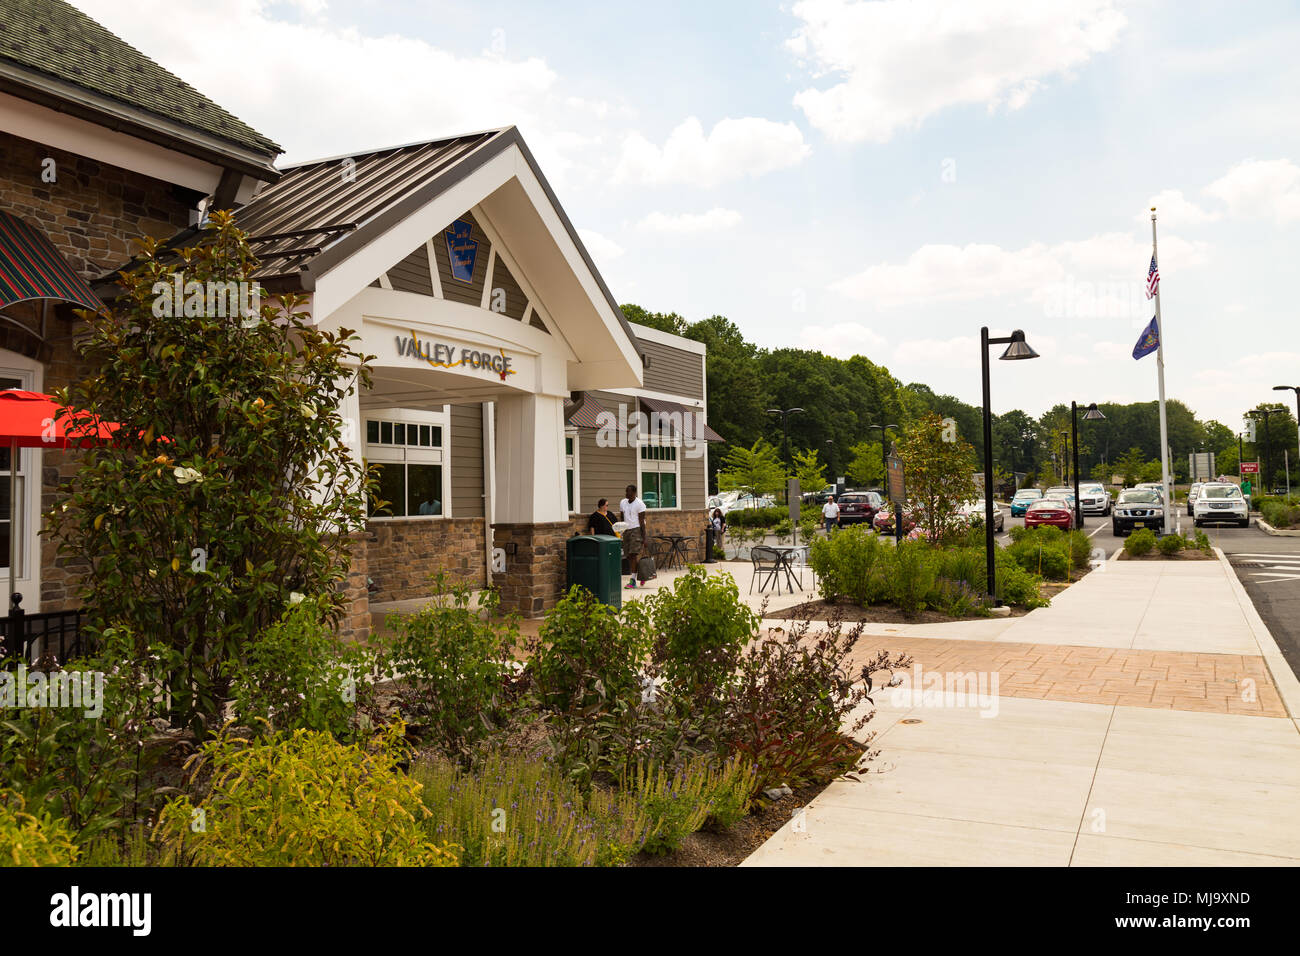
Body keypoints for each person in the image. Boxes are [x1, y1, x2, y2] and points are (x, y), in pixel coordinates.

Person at [618, 483, 649, 588]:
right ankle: (641, 575)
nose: (626, 493)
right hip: (626, 530)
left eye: (628, 491)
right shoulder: (623, 502)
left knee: (633, 554)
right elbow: (622, 517)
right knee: (628, 555)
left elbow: (642, 521)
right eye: (626, 491)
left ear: (634, 493)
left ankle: (633, 580)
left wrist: (644, 538)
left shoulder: (640, 504)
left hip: (636, 530)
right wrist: (621, 531)